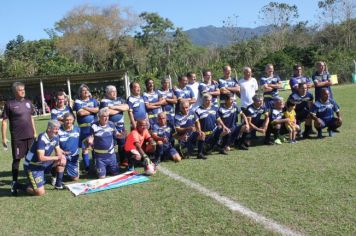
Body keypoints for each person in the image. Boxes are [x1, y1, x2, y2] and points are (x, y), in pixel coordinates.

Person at [1, 82, 37, 195]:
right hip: (18, 138)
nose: (23, 91)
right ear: (15, 91)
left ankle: (31, 180)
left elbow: (31, 118)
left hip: (30, 136)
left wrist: (35, 132)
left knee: (30, 159)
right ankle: (14, 182)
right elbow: (4, 122)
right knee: (17, 160)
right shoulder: (9, 104)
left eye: (24, 89)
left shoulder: (28, 102)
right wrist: (4, 138)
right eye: (20, 90)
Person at [23, 120, 66, 196]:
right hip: (32, 166)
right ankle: (18, 186)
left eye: (58, 129)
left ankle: (58, 184)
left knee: (62, 161)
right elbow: (41, 158)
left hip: (43, 164)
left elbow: (58, 150)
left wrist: (61, 157)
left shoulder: (56, 137)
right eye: (56, 129)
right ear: (49, 129)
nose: (57, 131)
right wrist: (57, 157)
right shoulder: (42, 138)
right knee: (40, 192)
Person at [86, 108, 125, 178]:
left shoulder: (111, 124)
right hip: (100, 157)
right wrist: (90, 140)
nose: (106, 118)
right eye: (104, 116)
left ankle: (108, 168)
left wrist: (122, 135)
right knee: (102, 177)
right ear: (99, 117)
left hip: (111, 155)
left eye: (107, 116)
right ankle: (98, 167)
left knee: (116, 174)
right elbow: (91, 137)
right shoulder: (94, 125)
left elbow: (117, 134)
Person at [100, 85, 129, 168]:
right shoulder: (104, 101)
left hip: (121, 126)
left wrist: (113, 107)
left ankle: (123, 161)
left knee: (122, 144)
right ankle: (110, 162)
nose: (114, 93)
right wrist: (120, 109)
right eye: (112, 91)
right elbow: (107, 112)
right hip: (109, 127)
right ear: (108, 93)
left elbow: (126, 107)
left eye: (115, 91)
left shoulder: (120, 99)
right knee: (110, 145)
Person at [73, 84, 99, 173]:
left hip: (93, 127)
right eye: (83, 90)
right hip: (83, 129)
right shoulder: (77, 101)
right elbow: (80, 113)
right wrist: (92, 110)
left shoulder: (93, 100)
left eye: (87, 90)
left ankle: (96, 165)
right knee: (85, 148)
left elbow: (97, 110)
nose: (86, 91)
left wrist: (86, 108)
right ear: (80, 93)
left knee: (95, 147)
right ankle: (87, 167)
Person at [195, 94, 229, 158]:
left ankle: (221, 148)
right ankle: (199, 153)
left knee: (227, 131)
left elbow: (218, 119)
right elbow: (197, 122)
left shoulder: (214, 108)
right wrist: (199, 131)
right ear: (203, 101)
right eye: (207, 100)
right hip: (204, 133)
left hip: (214, 132)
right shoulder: (198, 110)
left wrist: (224, 126)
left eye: (210, 100)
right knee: (205, 147)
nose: (209, 102)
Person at [58, 113, 80, 181]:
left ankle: (66, 169)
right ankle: (55, 175)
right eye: (67, 120)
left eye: (70, 120)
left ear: (73, 120)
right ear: (63, 120)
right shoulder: (58, 130)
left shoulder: (77, 129)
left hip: (73, 156)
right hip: (62, 155)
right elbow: (55, 144)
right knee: (58, 163)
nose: (69, 122)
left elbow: (82, 141)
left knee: (75, 178)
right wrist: (62, 153)